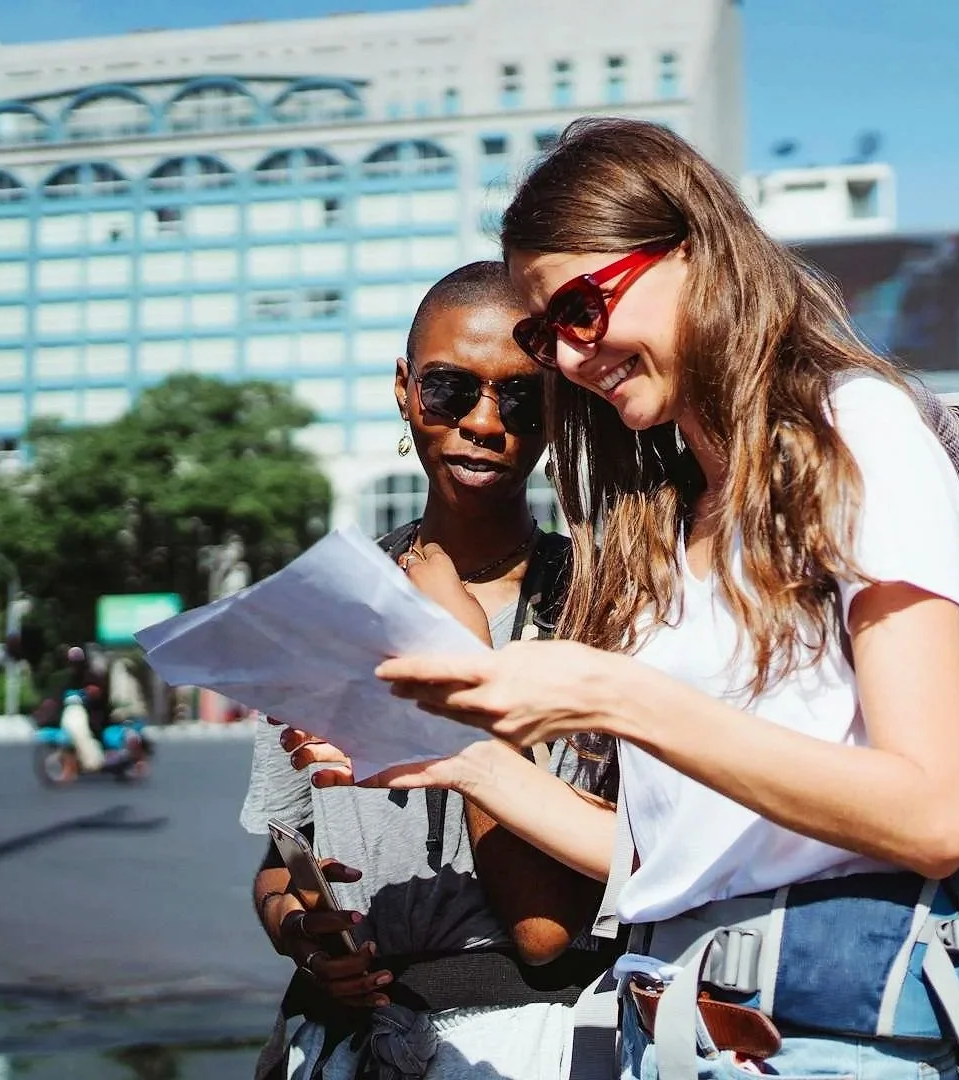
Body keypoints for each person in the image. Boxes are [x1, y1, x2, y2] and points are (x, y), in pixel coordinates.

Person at [280, 118, 959, 1080]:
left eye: (582, 308)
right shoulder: (672, 517)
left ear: (695, 254)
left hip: (833, 1033)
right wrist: (456, 758)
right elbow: (662, 860)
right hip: (666, 1028)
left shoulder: (853, 431)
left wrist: (614, 697)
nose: (570, 361)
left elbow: (932, 814)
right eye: (546, 333)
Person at [243, 261, 619, 1080]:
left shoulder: (605, 608)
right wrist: (303, 934)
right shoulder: (326, 607)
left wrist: (462, 658)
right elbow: (280, 860)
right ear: (407, 390)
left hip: (528, 1037)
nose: (485, 421)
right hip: (338, 1045)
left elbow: (544, 930)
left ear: (558, 413)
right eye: (452, 389)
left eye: (521, 397)